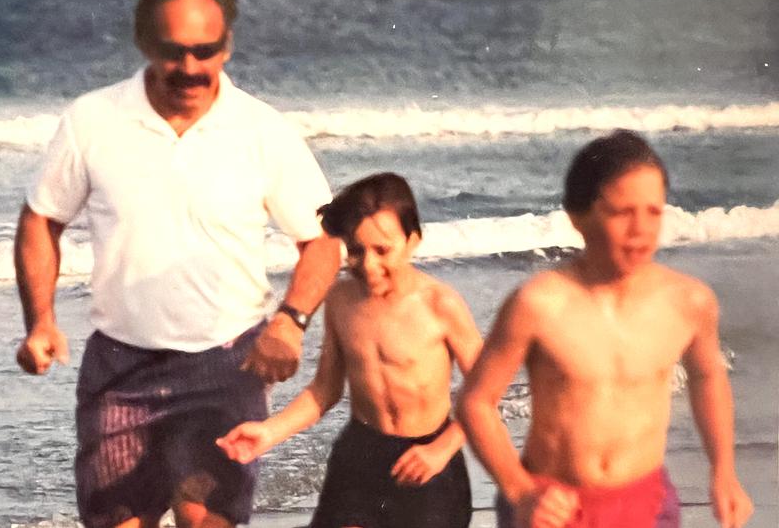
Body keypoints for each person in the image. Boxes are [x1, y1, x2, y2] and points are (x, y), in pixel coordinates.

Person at [14, 0, 341, 528]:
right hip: (120, 364)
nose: (189, 67)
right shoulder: (93, 121)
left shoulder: (260, 130)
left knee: (204, 517)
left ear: (226, 46)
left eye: (204, 50)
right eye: (173, 51)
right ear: (144, 42)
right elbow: (42, 218)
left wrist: (291, 321)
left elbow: (322, 238)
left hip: (228, 361)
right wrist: (40, 321)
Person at [457, 130, 754, 528]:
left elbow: (707, 377)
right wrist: (520, 491)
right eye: (621, 212)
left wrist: (723, 472)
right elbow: (476, 402)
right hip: (552, 508)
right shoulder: (539, 303)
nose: (640, 229)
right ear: (579, 217)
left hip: (646, 504)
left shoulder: (688, 302)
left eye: (653, 212)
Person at [217, 172, 483, 528]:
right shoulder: (341, 300)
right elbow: (324, 390)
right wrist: (269, 433)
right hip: (361, 455)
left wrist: (443, 448)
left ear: (413, 241)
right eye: (356, 251)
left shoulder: (440, 305)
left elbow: (486, 389)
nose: (369, 265)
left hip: (428, 460)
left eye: (382, 250)